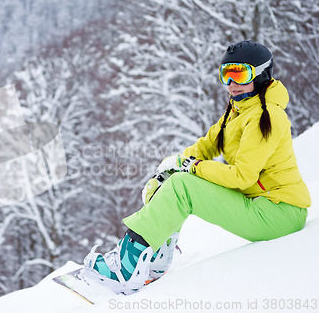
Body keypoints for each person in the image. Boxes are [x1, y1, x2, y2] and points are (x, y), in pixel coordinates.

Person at [81, 40, 311, 294]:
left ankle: (125, 268)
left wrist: (192, 167)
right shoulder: (237, 111)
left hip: (280, 213)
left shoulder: (265, 116)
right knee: (168, 183)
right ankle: (155, 259)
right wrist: (173, 165)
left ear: (261, 76)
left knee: (182, 187)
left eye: (240, 73)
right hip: (260, 203)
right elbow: (205, 146)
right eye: (226, 74)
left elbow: (242, 177)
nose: (232, 83)